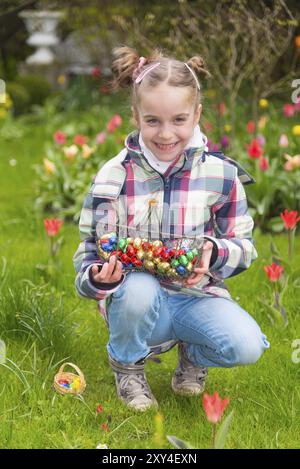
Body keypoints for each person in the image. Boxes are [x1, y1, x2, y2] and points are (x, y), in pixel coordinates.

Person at [73, 46, 270, 412]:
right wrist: (97, 277)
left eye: (179, 120)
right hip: (136, 296)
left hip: (196, 294)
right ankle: (129, 367)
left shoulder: (222, 175)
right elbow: (88, 246)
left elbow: (244, 244)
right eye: (152, 121)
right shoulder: (113, 176)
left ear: (197, 115)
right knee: (138, 292)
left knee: (247, 345)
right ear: (135, 116)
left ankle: (193, 354)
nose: (166, 134)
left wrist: (216, 251)